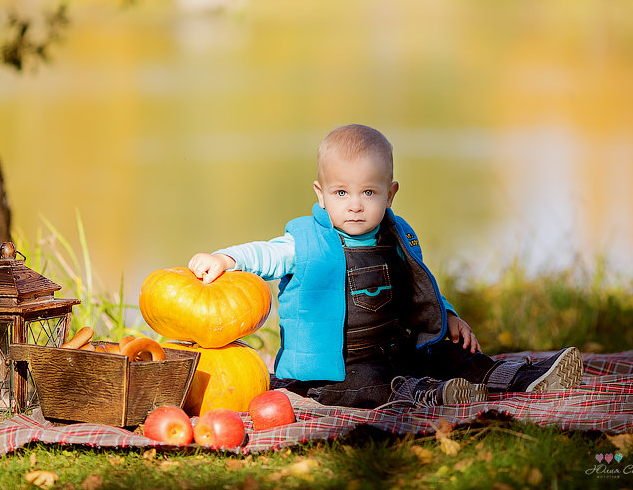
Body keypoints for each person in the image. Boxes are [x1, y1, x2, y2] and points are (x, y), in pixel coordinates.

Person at [188, 124, 583, 409]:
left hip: (393, 349)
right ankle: (430, 394)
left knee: (450, 354)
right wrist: (227, 258)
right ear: (321, 194)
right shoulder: (306, 241)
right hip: (330, 370)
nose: (355, 204)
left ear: (390, 193)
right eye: (341, 192)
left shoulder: (395, 236)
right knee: (367, 385)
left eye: (369, 192)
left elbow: (418, 288)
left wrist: (448, 315)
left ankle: (519, 377)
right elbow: (266, 254)